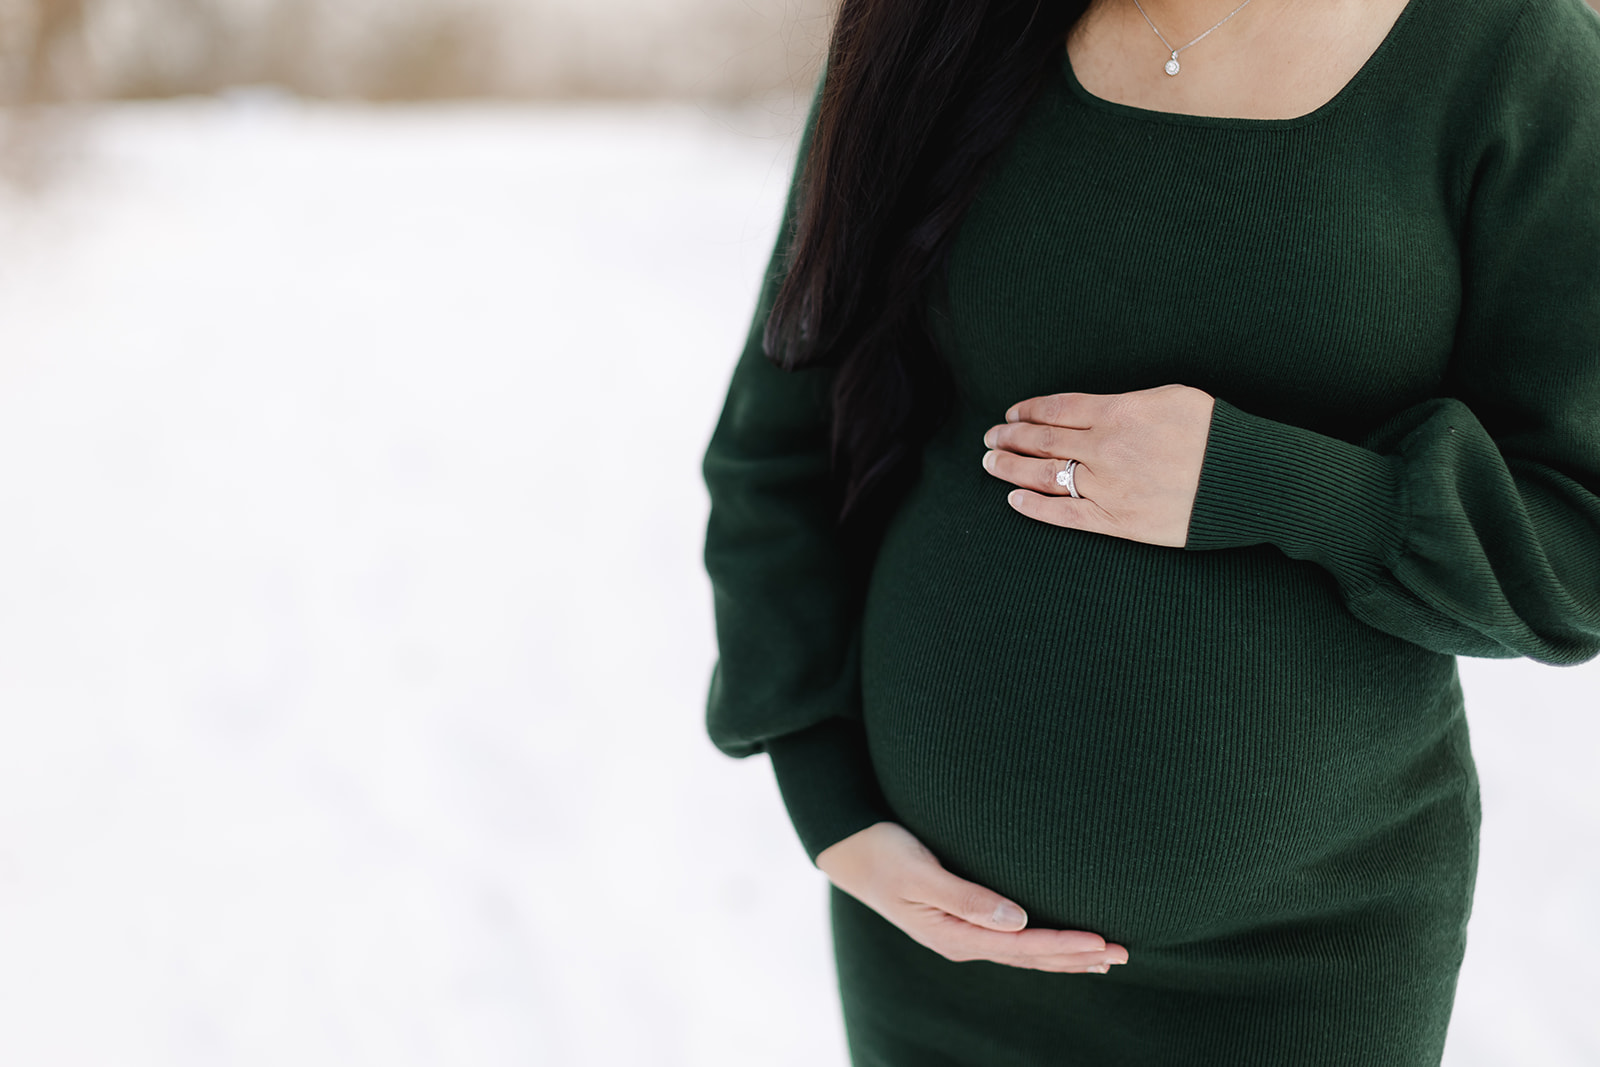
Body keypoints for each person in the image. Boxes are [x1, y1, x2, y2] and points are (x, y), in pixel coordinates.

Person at [700, 0, 1600, 1060]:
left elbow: (1574, 543)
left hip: (1303, 968)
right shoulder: (933, 28)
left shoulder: (1509, 59)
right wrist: (829, 804)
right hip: (942, 951)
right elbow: (777, 444)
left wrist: (1261, 483)